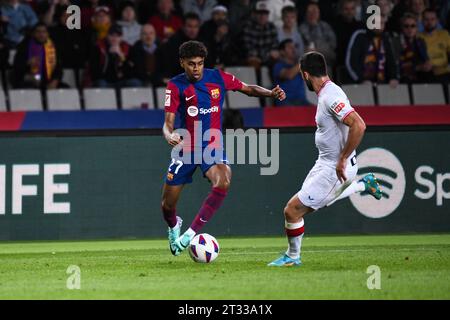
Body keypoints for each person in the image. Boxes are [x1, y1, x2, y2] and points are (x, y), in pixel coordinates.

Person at [162, 40, 286, 256]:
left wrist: (270, 93)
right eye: (191, 64)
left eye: (200, 63)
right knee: (167, 205)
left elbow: (248, 89)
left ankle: (190, 234)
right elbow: (168, 122)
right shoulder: (175, 85)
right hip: (187, 146)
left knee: (224, 180)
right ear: (182, 62)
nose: (196, 68)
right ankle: (174, 226)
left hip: (212, 144)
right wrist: (169, 135)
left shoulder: (218, 77)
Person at [268, 51, 382, 267]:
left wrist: (342, 159)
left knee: (292, 210)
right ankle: (361, 185)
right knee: (317, 201)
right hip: (325, 163)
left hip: (334, 167)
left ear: (305, 75)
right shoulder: (329, 93)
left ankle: (292, 257)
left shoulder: (331, 96)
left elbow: (359, 125)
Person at [12, 22, 64, 89]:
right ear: (33, 33)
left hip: (48, 80)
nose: (41, 34)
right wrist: (27, 63)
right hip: (29, 79)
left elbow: (58, 68)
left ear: (48, 34)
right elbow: (16, 67)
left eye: (44, 32)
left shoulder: (53, 47)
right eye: (38, 32)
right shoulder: (25, 46)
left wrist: (55, 80)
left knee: (65, 89)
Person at [273, 39, 309, 106]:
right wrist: (304, 58)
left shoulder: (299, 65)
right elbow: (289, 75)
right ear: (282, 52)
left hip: (302, 102)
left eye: (294, 47)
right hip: (285, 102)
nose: (293, 49)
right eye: (290, 47)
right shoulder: (278, 66)